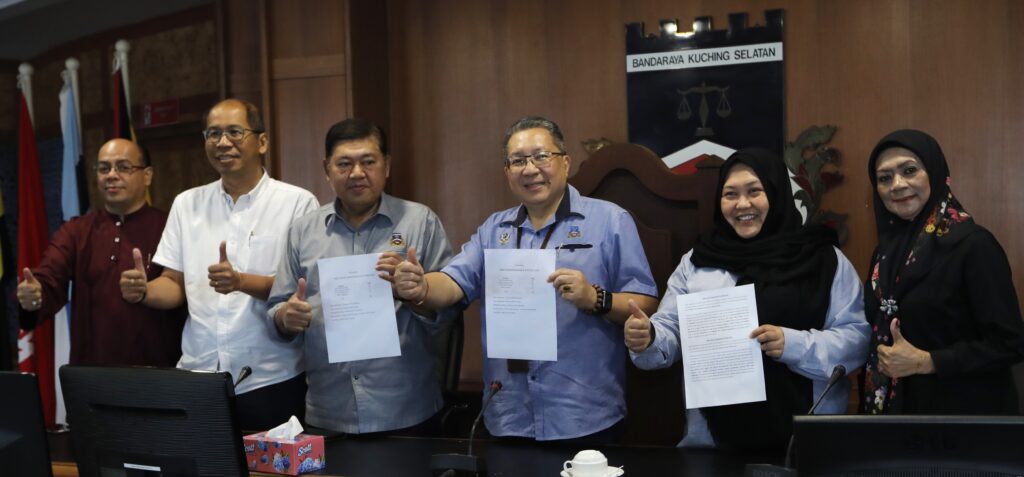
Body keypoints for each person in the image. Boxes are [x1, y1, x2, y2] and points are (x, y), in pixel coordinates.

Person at [392, 116, 659, 443]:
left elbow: (645, 302)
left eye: (541, 156)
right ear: (507, 171)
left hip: (584, 413)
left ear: (565, 162)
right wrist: (421, 287)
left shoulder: (610, 220)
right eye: (517, 161)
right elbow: (452, 283)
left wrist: (595, 298)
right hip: (509, 412)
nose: (530, 169)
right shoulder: (494, 230)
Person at [625, 148, 870, 451]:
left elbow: (857, 338)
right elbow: (672, 329)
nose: (742, 204)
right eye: (730, 194)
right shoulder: (699, 261)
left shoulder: (823, 259)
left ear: (777, 193)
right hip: (714, 443)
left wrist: (793, 344)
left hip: (806, 442)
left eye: (754, 191)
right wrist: (649, 337)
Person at [119, 99, 319, 430]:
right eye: (213, 134)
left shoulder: (296, 203)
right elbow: (174, 284)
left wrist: (241, 281)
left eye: (234, 132)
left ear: (262, 142)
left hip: (271, 378)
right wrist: (145, 291)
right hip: (199, 377)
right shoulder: (187, 203)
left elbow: (302, 289)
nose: (222, 142)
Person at [266, 118, 455, 435]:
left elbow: (449, 311)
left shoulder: (420, 222)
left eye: (368, 162)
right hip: (329, 410)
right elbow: (275, 309)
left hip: (406, 409)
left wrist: (416, 293)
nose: (356, 173)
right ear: (327, 169)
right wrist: (286, 317)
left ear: (387, 165)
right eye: (344, 164)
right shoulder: (303, 231)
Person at [860, 129, 1024, 414]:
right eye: (884, 178)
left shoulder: (973, 245)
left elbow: (1011, 344)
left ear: (935, 174)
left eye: (909, 170)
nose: (897, 185)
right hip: (895, 416)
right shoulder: (884, 254)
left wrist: (927, 361)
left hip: (961, 420)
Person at [16, 139, 184, 366]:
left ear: (147, 175)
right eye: (104, 168)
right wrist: (34, 295)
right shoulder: (77, 231)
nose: (111, 175)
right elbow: (49, 277)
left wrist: (146, 290)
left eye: (123, 167)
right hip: (92, 371)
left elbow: (183, 290)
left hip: (158, 371)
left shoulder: (169, 227)